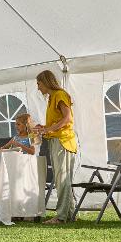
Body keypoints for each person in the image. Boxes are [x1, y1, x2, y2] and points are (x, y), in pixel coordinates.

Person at [33, 69, 77, 224]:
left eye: (39, 84)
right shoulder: (52, 98)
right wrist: (44, 127)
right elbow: (57, 121)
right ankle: (70, 215)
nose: (38, 87)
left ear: (45, 82)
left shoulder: (59, 95)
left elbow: (67, 118)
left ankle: (61, 216)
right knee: (62, 180)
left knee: (62, 179)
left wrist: (48, 129)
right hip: (56, 140)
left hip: (63, 141)